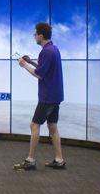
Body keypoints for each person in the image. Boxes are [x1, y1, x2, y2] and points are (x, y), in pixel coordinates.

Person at [13, 22, 65, 171]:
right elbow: (44, 69)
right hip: (56, 95)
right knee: (52, 126)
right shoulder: (53, 49)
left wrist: (24, 65)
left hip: (47, 96)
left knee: (34, 125)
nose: (34, 37)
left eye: (35, 34)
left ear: (41, 36)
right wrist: (31, 61)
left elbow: (39, 74)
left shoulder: (46, 52)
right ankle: (59, 159)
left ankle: (30, 160)